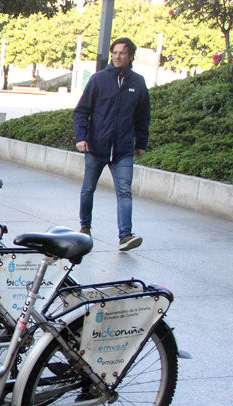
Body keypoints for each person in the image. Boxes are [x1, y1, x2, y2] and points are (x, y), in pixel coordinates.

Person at [73, 37, 151, 252]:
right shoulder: (98, 80)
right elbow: (81, 111)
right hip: (97, 147)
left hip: (124, 150)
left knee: (125, 192)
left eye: (122, 53)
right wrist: (82, 137)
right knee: (88, 189)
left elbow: (143, 116)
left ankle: (125, 235)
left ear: (131, 56)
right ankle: (85, 227)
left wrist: (141, 143)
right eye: (115, 52)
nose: (117, 56)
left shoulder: (138, 82)